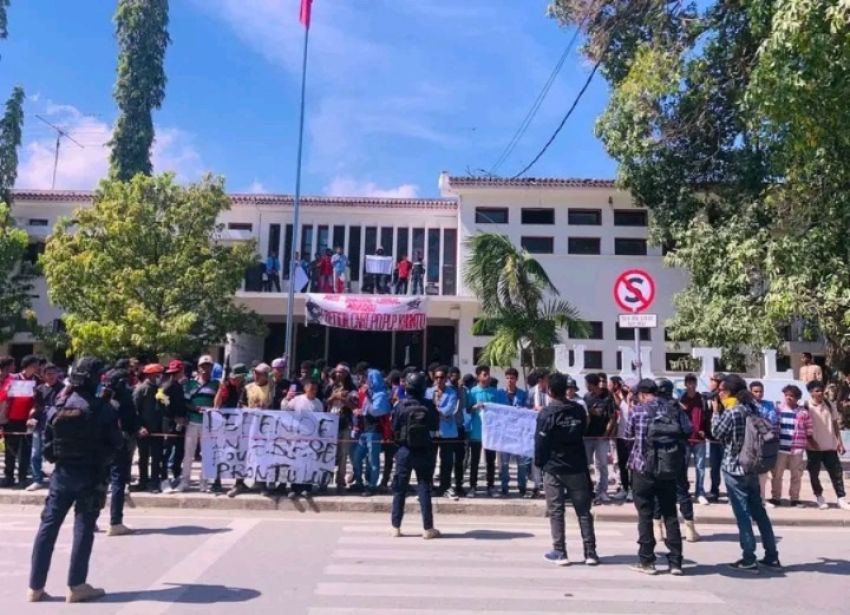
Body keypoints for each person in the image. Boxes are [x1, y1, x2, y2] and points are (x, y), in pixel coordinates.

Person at [27, 357, 123, 603]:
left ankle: (35, 587)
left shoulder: (59, 404)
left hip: (62, 475)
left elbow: (48, 447)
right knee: (83, 529)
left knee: (48, 527)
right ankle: (77, 585)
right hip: (90, 475)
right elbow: (116, 443)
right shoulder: (103, 408)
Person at [712, 374, 780, 572]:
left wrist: (716, 412)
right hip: (752, 467)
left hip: (734, 468)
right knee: (759, 513)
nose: (719, 394)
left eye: (721, 390)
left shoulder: (732, 412)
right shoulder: (752, 408)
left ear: (730, 392)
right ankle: (772, 556)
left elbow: (716, 433)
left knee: (742, 514)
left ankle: (749, 558)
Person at [536, 373, 599, 566]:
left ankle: (560, 552)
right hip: (577, 465)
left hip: (553, 467)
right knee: (584, 511)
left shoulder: (546, 413)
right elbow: (583, 430)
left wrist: (539, 463)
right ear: (566, 389)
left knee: (556, 511)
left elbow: (540, 442)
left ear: (550, 391)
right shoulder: (578, 410)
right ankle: (590, 553)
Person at [626, 379, 687, 576]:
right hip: (668, 468)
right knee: (670, 513)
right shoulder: (672, 409)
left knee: (645, 514)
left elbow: (628, 434)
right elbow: (686, 430)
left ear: (642, 394)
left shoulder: (637, 411)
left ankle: (647, 561)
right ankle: (676, 562)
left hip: (643, 468)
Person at [390, 371, 440, 538]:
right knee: (424, 487)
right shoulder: (429, 405)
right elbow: (435, 425)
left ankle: (396, 527)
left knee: (400, 489)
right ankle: (428, 528)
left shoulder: (400, 405)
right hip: (424, 450)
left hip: (404, 450)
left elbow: (394, 427)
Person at [652, 378, 699, 543]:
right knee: (682, 490)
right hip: (677, 453)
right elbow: (688, 428)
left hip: (657, 455)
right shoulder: (677, 407)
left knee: (657, 491)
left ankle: (658, 529)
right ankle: (690, 529)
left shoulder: (651, 407)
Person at [229, 363, 275, 497]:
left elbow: (276, 408)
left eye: (259, 374)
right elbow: (240, 405)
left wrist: (266, 409)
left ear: (266, 376)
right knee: (243, 454)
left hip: (264, 429)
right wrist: (251, 410)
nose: (256, 375)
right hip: (247, 427)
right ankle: (239, 483)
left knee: (262, 455)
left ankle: (261, 483)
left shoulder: (272, 389)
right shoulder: (247, 387)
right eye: (255, 373)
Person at [803, 380, 850, 511]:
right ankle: (819, 497)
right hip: (813, 448)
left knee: (837, 473)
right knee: (814, 474)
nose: (820, 393)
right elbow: (803, 427)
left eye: (821, 390)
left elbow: (835, 424)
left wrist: (839, 442)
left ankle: (841, 498)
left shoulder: (829, 404)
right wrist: (810, 442)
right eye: (817, 391)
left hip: (830, 446)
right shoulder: (806, 406)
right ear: (811, 392)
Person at [101, 368, 137, 536]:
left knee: (101, 481)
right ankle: (115, 522)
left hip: (102, 442)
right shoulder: (124, 398)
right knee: (117, 482)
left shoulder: (103, 397)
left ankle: (90, 519)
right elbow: (131, 420)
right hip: (118, 443)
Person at [178, 355, 219, 492]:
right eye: (203, 366)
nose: (205, 369)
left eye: (208, 366)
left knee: (206, 454)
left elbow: (218, 402)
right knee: (188, 454)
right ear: (198, 367)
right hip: (192, 422)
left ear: (212, 368)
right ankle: (185, 481)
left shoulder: (216, 384)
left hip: (208, 424)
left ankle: (204, 483)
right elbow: (185, 402)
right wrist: (195, 408)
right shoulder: (190, 384)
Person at [465, 365, 507, 497]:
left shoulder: (495, 392)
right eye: (484, 374)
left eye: (488, 374)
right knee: (475, 461)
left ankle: (491, 486)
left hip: (490, 432)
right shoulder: (472, 392)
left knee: (490, 461)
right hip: (476, 432)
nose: (487, 377)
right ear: (478, 376)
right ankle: (473, 486)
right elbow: (467, 409)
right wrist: (474, 407)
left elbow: (501, 410)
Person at [1, 354, 41, 488]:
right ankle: (9, 477)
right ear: (27, 366)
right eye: (35, 365)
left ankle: (23, 477)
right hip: (11, 419)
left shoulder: (37, 380)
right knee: (10, 450)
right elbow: (3, 397)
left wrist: (32, 415)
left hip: (28, 420)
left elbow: (38, 402)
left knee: (25, 450)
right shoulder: (12, 378)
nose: (37, 368)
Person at [350, 369, 390, 496]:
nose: (366, 381)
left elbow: (377, 411)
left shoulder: (381, 394)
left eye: (369, 378)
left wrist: (365, 403)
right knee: (356, 457)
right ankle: (359, 482)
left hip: (375, 431)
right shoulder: (369, 393)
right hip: (364, 430)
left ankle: (372, 485)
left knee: (373, 460)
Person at [770, 385, 811, 507]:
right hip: (780, 448)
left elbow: (809, 430)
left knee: (796, 475)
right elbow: (773, 427)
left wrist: (807, 445)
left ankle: (794, 499)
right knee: (777, 474)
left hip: (797, 449)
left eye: (792, 396)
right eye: (786, 395)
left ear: (797, 398)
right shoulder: (778, 411)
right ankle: (776, 497)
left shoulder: (803, 412)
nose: (788, 397)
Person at [26, 364, 65, 491]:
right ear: (43, 375)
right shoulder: (39, 389)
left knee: (56, 453)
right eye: (48, 374)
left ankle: (57, 479)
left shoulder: (63, 389)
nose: (52, 376)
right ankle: (37, 479)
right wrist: (31, 417)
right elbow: (35, 406)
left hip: (56, 425)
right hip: (40, 424)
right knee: (35, 453)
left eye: (54, 373)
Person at [426, 366, 463, 499]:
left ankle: (445, 486)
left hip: (447, 432)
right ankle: (429, 486)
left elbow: (449, 410)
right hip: (433, 430)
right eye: (436, 377)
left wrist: (435, 411)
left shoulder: (452, 393)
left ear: (446, 378)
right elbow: (426, 409)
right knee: (430, 459)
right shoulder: (429, 392)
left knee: (447, 460)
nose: (439, 380)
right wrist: (439, 412)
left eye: (441, 377)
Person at [583, 373, 617, 503]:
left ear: (592, 384)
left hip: (601, 437)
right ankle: (587, 490)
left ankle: (602, 491)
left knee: (602, 464)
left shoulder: (608, 397)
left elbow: (612, 417)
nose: (586, 386)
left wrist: (606, 434)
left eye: (587, 384)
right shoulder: (586, 397)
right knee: (585, 464)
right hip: (587, 437)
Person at [133, 363, 166, 493]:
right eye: (158, 375)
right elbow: (134, 410)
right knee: (144, 457)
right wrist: (139, 427)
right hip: (144, 430)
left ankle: (154, 482)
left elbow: (165, 406)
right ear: (151, 375)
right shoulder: (141, 389)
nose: (160, 377)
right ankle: (143, 481)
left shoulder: (159, 390)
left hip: (157, 429)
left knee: (157, 457)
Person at [324, 364, 356, 492]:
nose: (338, 374)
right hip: (330, 423)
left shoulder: (352, 388)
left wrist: (343, 399)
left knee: (343, 454)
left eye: (341, 372)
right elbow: (324, 402)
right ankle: (325, 480)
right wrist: (333, 397)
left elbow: (354, 406)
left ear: (347, 374)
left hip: (345, 423)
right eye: (337, 372)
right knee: (329, 452)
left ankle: (340, 481)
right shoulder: (330, 386)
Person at [679, 373, 710, 505]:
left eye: (693, 383)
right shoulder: (681, 399)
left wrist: (705, 431)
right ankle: (683, 493)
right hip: (685, 439)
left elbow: (707, 416)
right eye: (689, 383)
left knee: (700, 468)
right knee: (683, 468)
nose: (691, 385)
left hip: (699, 439)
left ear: (696, 384)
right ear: (685, 384)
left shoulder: (701, 399)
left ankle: (700, 492)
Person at [159, 360, 189, 492]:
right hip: (170, 423)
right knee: (166, 452)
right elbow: (161, 401)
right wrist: (173, 416)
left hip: (181, 423)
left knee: (179, 451)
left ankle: (177, 475)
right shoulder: (167, 386)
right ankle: (163, 479)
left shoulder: (178, 385)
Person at [500, 367, 530, 497]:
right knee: (504, 463)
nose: (509, 380)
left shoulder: (523, 394)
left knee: (521, 463)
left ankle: (522, 486)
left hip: (519, 433)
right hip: (504, 433)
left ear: (516, 379)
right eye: (507, 378)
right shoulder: (500, 393)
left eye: (512, 378)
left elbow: (527, 411)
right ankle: (504, 487)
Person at [750, 381, 780, 502]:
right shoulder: (747, 405)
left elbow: (773, 419)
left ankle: (762, 498)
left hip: (764, 442)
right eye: (755, 391)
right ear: (750, 392)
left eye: (760, 391)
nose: (758, 394)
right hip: (751, 441)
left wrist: (760, 421)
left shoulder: (769, 404)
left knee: (763, 471)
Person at [704, 372, 726, 502]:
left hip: (724, 439)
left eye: (712, 381)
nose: (710, 383)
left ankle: (731, 492)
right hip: (713, 439)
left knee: (727, 468)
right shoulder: (711, 396)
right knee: (714, 467)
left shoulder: (724, 397)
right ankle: (714, 490)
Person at [611, 377, 633, 502]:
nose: (625, 390)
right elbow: (617, 402)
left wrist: (630, 400)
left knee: (632, 466)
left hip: (632, 438)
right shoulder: (621, 402)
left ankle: (632, 490)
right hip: (621, 437)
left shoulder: (634, 402)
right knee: (622, 464)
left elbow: (632, 413)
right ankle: (624, 488)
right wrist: (615, 391)